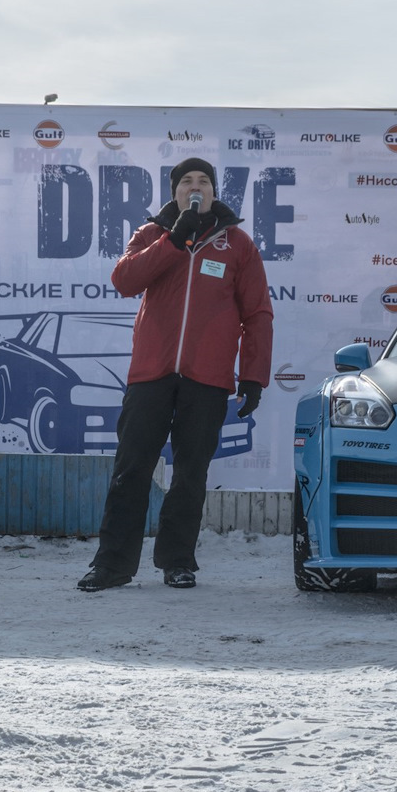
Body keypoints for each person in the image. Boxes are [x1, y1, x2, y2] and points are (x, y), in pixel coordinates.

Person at [78, 157, 273, 591]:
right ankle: (112, 566)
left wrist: (254, 375)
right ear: (175, 192)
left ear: (215, 191)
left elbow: (257, 313)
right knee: (131, 470)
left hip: (207, 377)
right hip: (151, 373)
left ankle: (177, 561)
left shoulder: (237, 244)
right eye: (187, 181)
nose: (196, 185)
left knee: (191, 474)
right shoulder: (151, 235)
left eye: (204, 180)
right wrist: (174, 238)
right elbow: (125, 280)